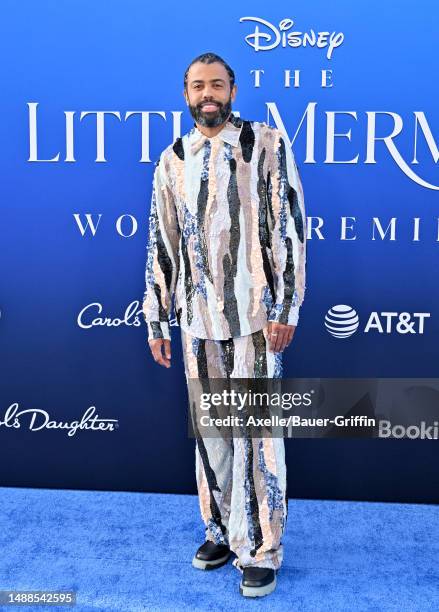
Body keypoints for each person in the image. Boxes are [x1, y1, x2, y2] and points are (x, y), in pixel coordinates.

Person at [142, 51, 306, 598]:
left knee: (257, 437)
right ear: (185, 95)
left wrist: (285, 307)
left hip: (256, 319)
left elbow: (287, 225)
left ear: (233, 89)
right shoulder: (172, 159)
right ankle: (220, 530)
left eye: (216, 84)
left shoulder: (265, 144)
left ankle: (260, 548)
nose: (206, 94)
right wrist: (157, 318)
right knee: (212, 434)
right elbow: (162, 240)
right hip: (197, 320)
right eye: (196, 86)